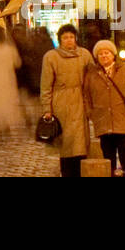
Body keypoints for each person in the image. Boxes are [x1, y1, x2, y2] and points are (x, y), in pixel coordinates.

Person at [84, 39, 125, 175]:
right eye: (101, 54)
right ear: (97, 57)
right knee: (108, 161)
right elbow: (86, 96)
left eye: (107, 53)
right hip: (103, 124)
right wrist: (91, 114)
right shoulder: (92, 74)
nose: (104, 56)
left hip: (123, 123)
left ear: (113, 54)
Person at [40, 24, 93, 177]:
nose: (69, 40)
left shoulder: (84, 55)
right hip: (61, 104)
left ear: (75, 38)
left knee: (82, 144)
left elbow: (93, 79)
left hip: (81, 102)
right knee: (67, 145)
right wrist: (47, 109)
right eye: (65, 37)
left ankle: (80, 172)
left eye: (71, 37)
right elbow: (46, 85)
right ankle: (67, 173)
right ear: (60, 40)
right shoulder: (51, 57)